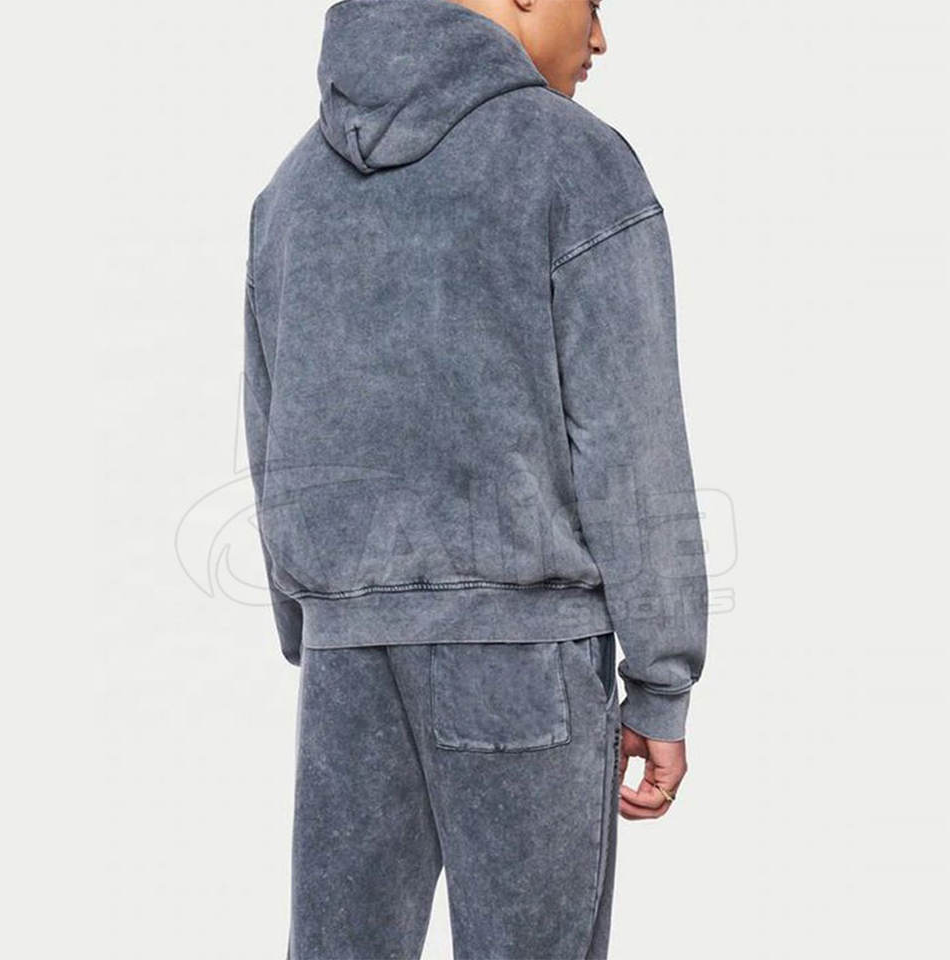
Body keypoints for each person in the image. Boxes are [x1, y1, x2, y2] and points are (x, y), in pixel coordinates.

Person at [242, 1, 709, 957]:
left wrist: (313, 623)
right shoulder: (574, 162)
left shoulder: (292, 190)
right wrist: (661, 684)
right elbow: (633, 441)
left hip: (347, 660)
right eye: (594, 3)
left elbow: (271, 420)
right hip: (526, 662)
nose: (601, 38)